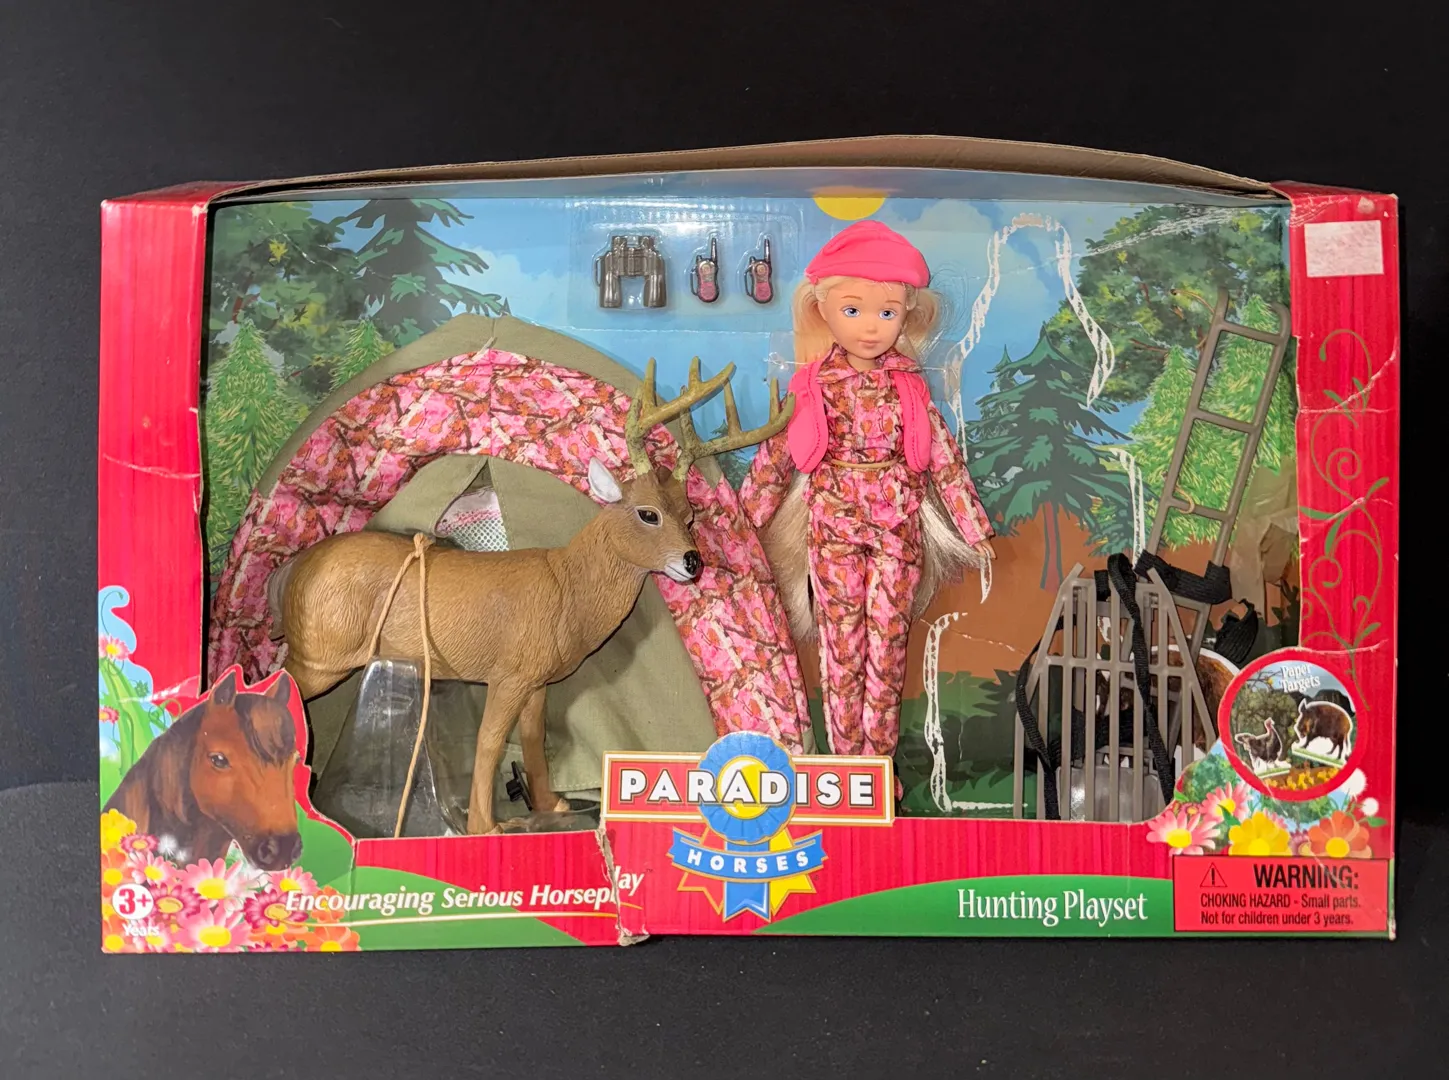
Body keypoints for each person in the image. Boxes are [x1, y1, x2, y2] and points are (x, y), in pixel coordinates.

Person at [740, 220, 995, 775]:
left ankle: (876, 770)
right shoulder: (812, 385)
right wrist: (745, 523)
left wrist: (972, 526)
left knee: (887, 649)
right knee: (841, 650)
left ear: (907, 315)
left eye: (887, 312)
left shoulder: (909, 385)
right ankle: (845, 769)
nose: (871, 327)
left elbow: (943, 456)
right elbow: (777, 456)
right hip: (832, 530)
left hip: (897, 532)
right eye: (853, 310)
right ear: (823, 310)